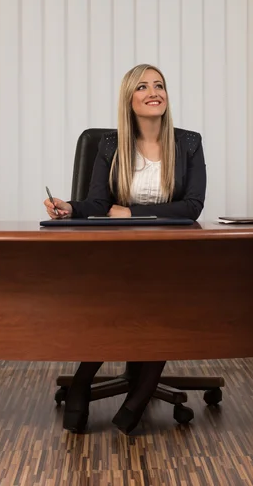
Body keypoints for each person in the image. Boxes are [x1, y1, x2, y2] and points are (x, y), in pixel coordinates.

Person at [44, 63, 206, 435]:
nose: (154, 92)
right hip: (118, 250)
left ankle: (139, 397)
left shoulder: (189, 143)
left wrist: (133, 211)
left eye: (160, 85)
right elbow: (97, 203)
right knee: (117, 303)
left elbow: (193, 205)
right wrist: (70, 207)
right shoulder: (111, 144)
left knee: (163, 302)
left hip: (169, 252)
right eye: (144, 86)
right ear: (129, 99)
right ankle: (83, 383)